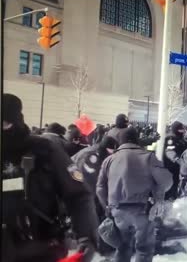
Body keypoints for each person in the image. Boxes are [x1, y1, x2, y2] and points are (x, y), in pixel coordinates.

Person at [2, 94, 98, 262]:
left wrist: (86, 237)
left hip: (40, 248)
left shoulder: (44, 150)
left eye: (5, 123)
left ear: (13, 121)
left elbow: (79, 195)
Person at [96, 128, 173, 262]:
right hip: (141, 211)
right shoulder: (148, 157)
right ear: (137, 140)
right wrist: (157, 197)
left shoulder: (109, 160)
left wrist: (107, 207)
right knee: (143, 249)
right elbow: (166, 181)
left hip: (118, 212)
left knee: (123, 247)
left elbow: (100, 188)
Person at [163, 121, 187, 200]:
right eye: (181, 130)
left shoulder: (178, 138)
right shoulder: (170, 138)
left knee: (175, 186)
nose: (183, 131)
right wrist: (179, 161)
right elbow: (170, 152)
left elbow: (184, 145)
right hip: (170, 168)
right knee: (170, 188)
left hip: (176, 168)